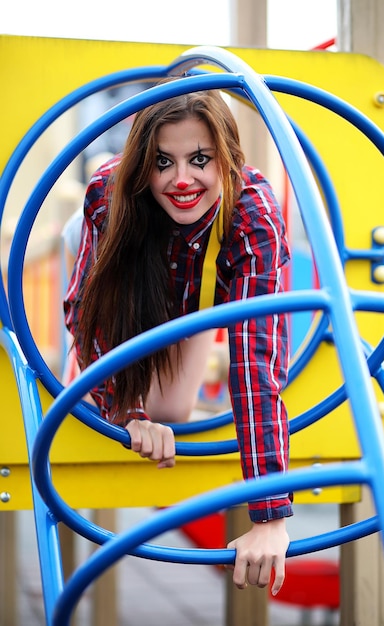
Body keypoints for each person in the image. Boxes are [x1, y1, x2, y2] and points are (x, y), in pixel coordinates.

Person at [63, 81, 293, 596]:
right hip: (126, 312)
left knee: (172, 416)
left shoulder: (254, 218)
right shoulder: (110, 192)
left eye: (200, 159)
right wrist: (124, 407)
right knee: (101, 409)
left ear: (229, 160)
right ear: (143, 163)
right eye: (163, 162)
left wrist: (270, 514)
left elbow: (256, 360)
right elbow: (86, 311)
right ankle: (91, 384)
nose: (181, 179)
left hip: (198, 310)